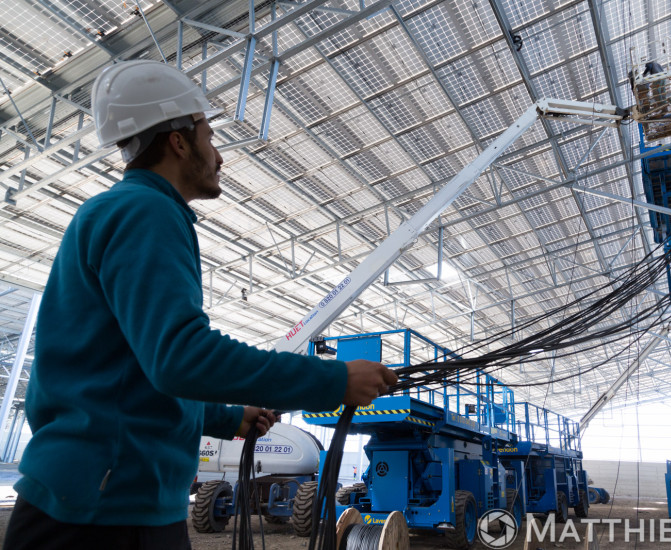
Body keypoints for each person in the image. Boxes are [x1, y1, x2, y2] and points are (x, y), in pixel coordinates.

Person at [3, 59, 397, 550]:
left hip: (111, 494)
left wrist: (224, 417)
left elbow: (137, 370)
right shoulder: (145, 212)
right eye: (210, 137)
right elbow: (180, 357)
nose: (220, 156)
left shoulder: (129, 211)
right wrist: (333, 380)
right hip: (104, 509)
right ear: (179, 140)